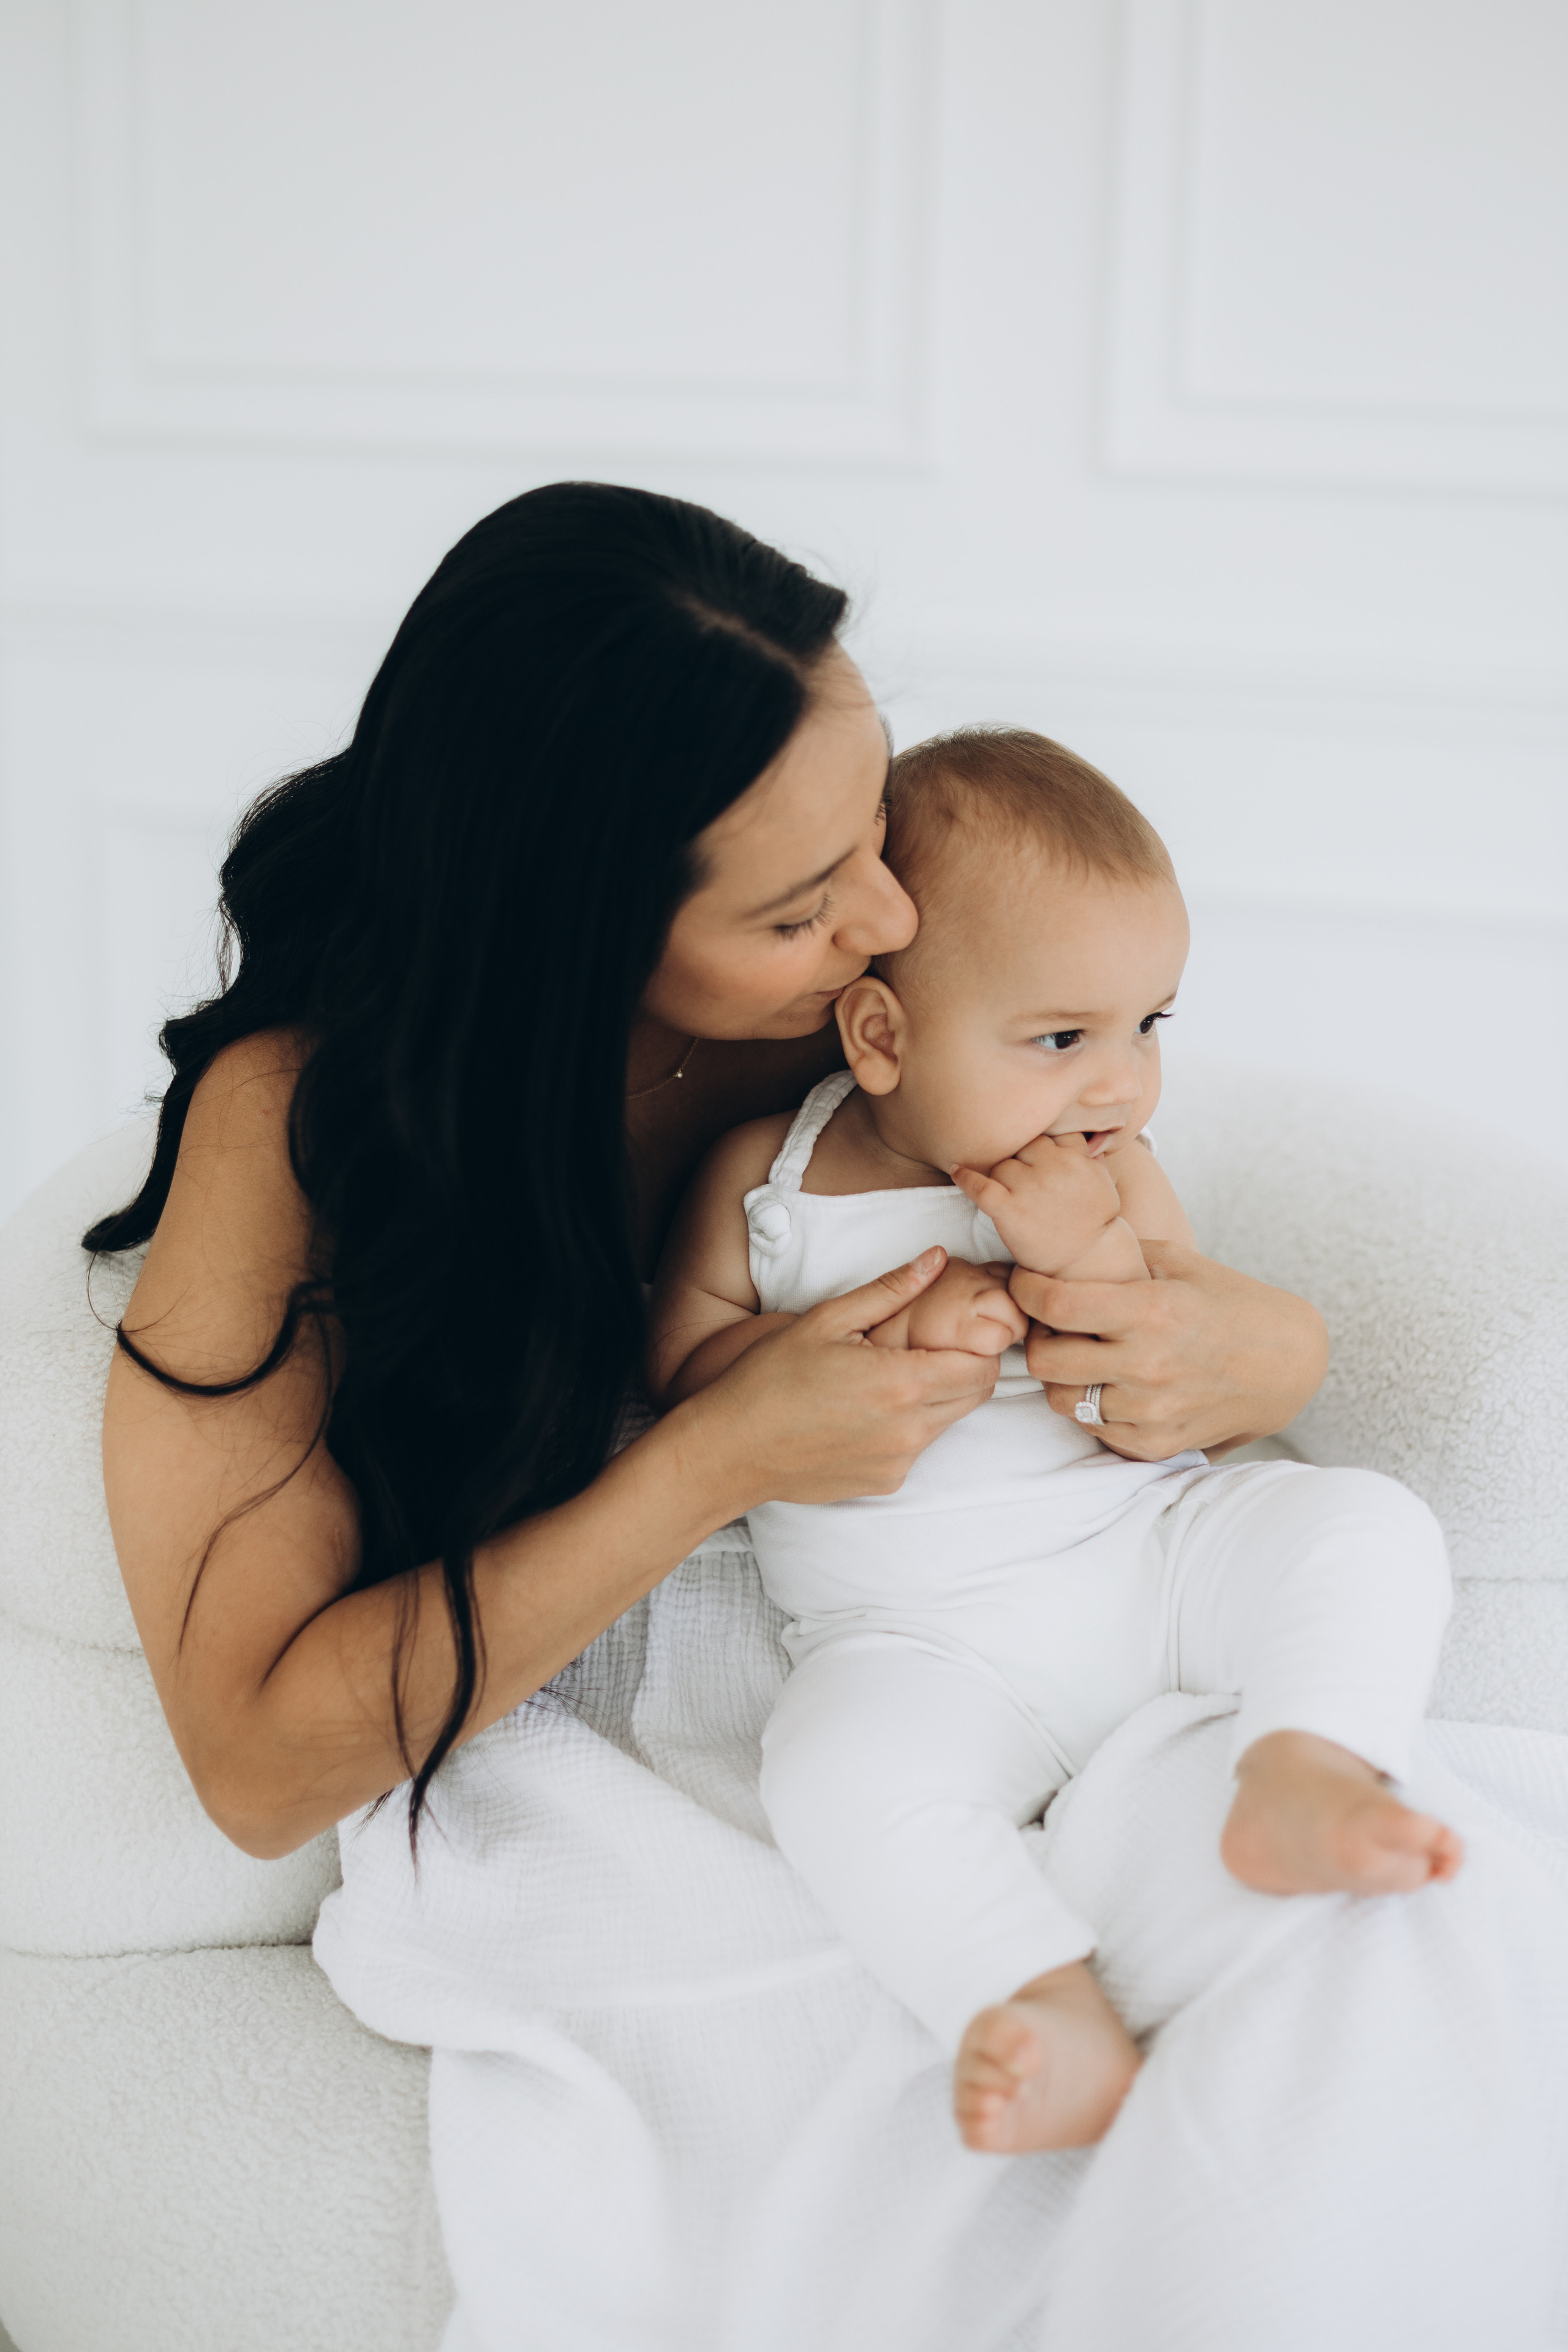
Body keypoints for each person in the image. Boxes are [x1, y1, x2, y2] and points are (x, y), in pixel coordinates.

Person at [92, 483, 1327, 1870]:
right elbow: (256, 1774)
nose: (891, 919)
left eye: (871, 820)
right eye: (800, 908)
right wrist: (722, 1453)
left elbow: (1146, 1227)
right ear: (578, 940)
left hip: (1077, 1630)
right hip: (827, 1734)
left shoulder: (871, 1026)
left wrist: (1266, 1350)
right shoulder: (295, 1125)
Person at [648, 726, 1459, 2158]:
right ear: (881, 1036)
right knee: (831, 1774)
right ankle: (1028, 1998)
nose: (1120, 1086)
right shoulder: (767, 1186)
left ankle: (1307, 1761)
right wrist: (850, 1346)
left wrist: (1086, 1253)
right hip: (917, 1641)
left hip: (1148, 1555)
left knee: (1359, 1527)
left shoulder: (1111, 1172)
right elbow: (686, 1377)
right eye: (1061, 1038)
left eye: (1150, 1025)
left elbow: (1165, 1346)